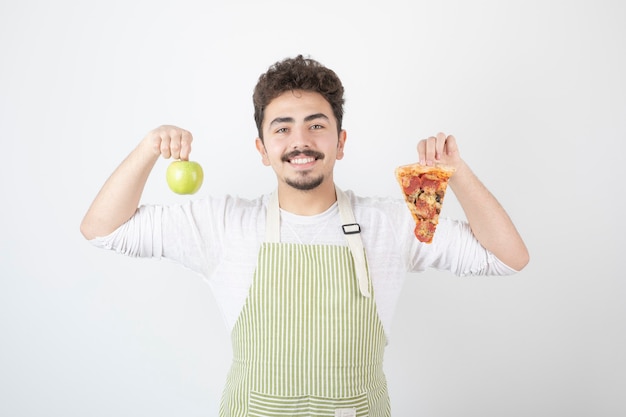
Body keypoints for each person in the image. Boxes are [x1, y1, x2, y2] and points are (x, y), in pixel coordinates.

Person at [80, 54, 529, 417]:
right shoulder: (223, 224)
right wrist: (148, 148)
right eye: (282, 128)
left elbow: (508, 257)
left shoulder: (390, 224)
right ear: (262, 149)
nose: (301, 141)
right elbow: (102, 229)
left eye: (316, 125)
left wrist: (458, 174)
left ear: (340, 141)